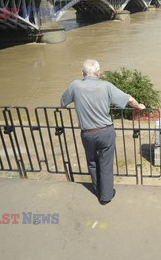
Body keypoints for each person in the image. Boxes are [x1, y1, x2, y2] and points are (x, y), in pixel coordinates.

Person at [61, 59, 145, 205]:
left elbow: (63, 103)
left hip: (87, 133)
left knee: (92, 162)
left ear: (82, 73)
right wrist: (139, 106)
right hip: (106, 132)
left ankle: (97, 189)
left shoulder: (75, 85)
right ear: (99, 73)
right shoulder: (106, 86)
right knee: (106, 163)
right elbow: (129, 99)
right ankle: (105, 196)